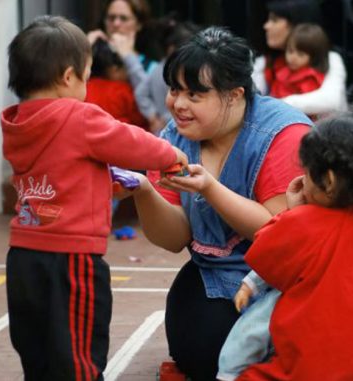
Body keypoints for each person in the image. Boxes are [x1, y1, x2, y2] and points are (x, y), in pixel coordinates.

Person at [1, 16, 187, 380]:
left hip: (22, 256)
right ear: (69, 77)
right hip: (71, 260)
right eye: (87, 75)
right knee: (78, 355)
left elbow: (63, 167)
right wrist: (170, 155)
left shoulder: (16, 121)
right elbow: (129, 141)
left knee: (37, 350)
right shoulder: (79, 115)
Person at [125, 27, 313, 380]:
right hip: (218, 274)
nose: (178, 104)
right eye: (174, 90)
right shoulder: (172, 136)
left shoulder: (283, 134)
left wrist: (211, 189)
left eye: (194, 94)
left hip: (284, 278)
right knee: (197, 349)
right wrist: (143, 191)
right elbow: (173, 238)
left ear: (234, 95)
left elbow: (281, 234)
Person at [217, 108, 353, 380]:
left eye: (307, 173)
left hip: (309, 371)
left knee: (243, 358)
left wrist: (292, 211)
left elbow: (265, 254)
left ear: (328, 181)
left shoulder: (306, 224)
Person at [253, 0, 348, 116]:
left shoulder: (330, 58)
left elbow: (331, 101)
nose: (266, 26)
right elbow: (252, 100)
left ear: (295, 23)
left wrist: (275, 105)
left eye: (274, 20)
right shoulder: (265, 62)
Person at [134, 18, 199, 134]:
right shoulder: (181, 71)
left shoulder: (157, 69)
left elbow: (140, 93)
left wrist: (153, 116)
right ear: (171, 49)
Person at [87, 0, 157, 90]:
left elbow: (148, 97)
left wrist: (128, 57)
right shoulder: (93, 55)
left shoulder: (152, 68)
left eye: (124, 18)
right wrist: (84, 50)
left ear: (139, 24)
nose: (116, 24)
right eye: (111, 18)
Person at [85, 38, 148, 129]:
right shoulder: (122, 90)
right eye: (126, 68)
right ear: (114, 70)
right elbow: (142, 120)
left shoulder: (85, 88)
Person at [269, 23, 329, 101]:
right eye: (290, 51)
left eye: (301, 54)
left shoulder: (310, 79)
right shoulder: (282, 69)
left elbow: (308, 105)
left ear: (314, 56)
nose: (293, 58)